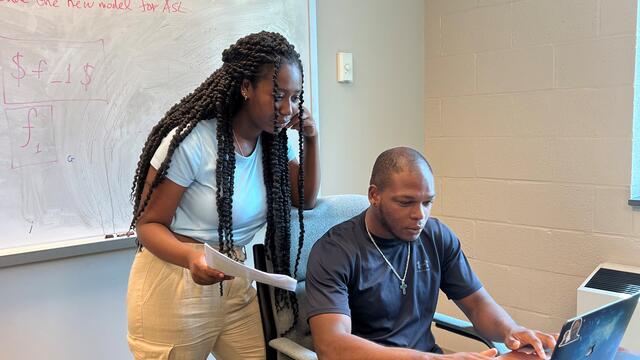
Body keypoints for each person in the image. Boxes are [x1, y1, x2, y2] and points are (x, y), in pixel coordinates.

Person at [126, 31, 320, 360]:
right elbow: (148, 225)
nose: (288, 108)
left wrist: (312, 140)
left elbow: (304, 200)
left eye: (296, 97)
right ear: (245, 88)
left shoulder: (275, 143)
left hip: (235, 280)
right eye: (278, 95)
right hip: (176, 280)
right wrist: (191, 258)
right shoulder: (192, 141)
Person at [305, 147, 555, 360]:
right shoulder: (334, 252)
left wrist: (511, 330)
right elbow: (331, 346)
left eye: (427, 202)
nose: (419, 215)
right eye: (405, 202)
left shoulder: (436, 236)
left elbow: (478, 304)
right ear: (374, 195)